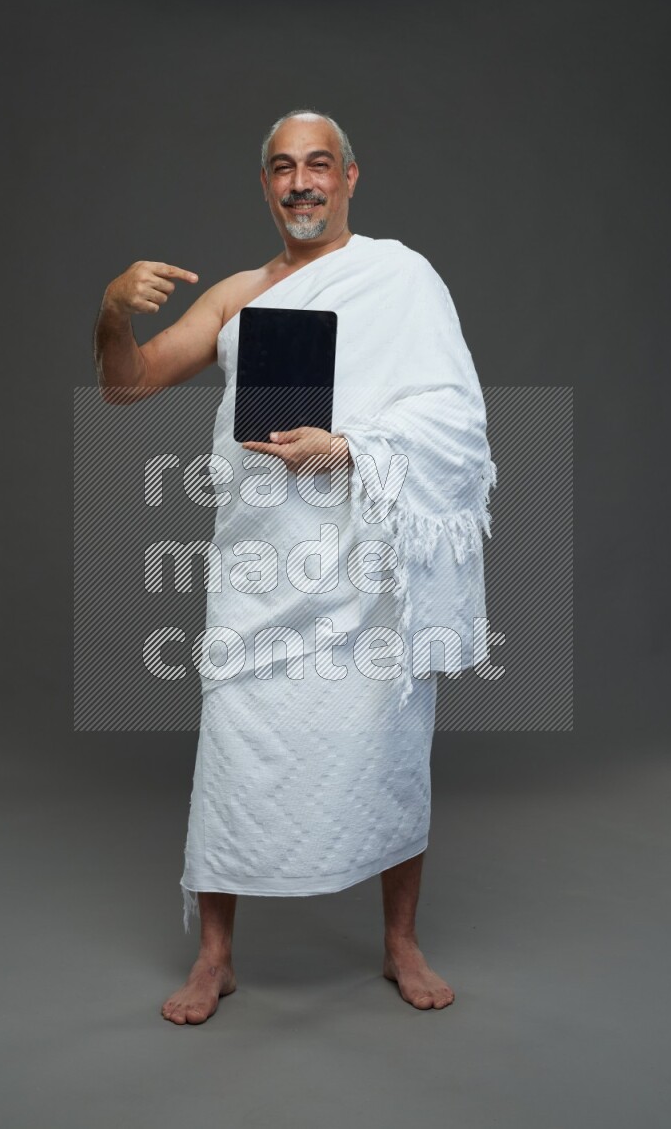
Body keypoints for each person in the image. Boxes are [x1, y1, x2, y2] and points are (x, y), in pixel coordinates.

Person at [93, 109, 497, 1024]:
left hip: (365, 565)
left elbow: (457, 422)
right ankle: (216, 957)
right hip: (260, 564)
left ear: (352, 177)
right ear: (265, 185)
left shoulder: (402, 279)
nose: (301, 183)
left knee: (391, 746)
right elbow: (127, 384)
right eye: (283, 168)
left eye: (319, 165)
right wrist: (112, 309)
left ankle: (400, 942)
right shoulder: (237, 294)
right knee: (236, 742)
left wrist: (350, 448)